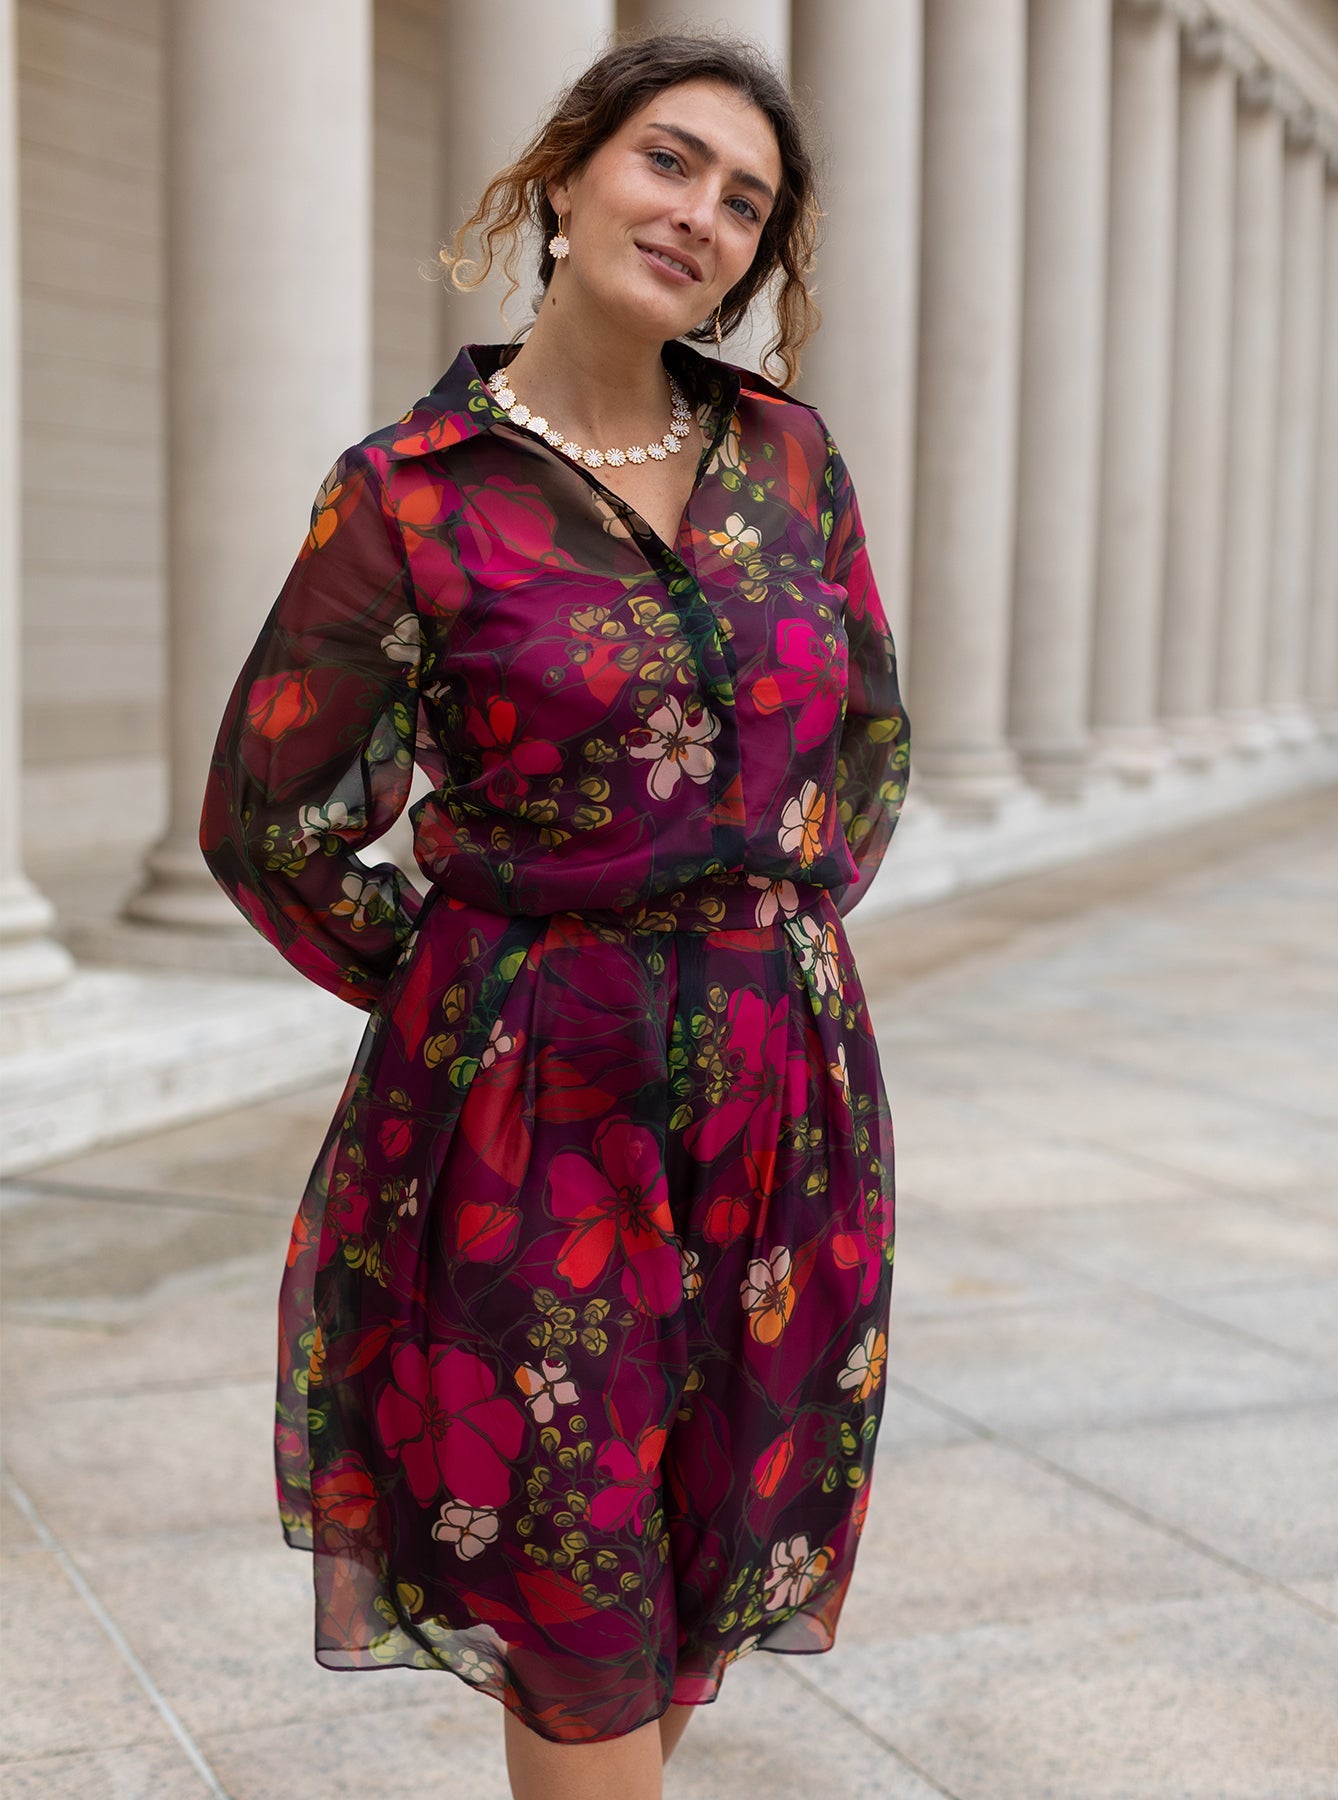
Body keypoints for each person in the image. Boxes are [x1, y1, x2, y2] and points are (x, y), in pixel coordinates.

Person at [198, 28, 910, 1800]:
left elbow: (870, 749)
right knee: (571, 1591)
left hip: (779, 1101)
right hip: (538, 1120)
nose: (699, 216)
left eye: (745, 201)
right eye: (670, 161)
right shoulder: (411, 493)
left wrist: (774, 951)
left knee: (696, 1574)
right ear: (569, 171)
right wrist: (479, 988)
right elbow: (269, 819)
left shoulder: (790, 463)